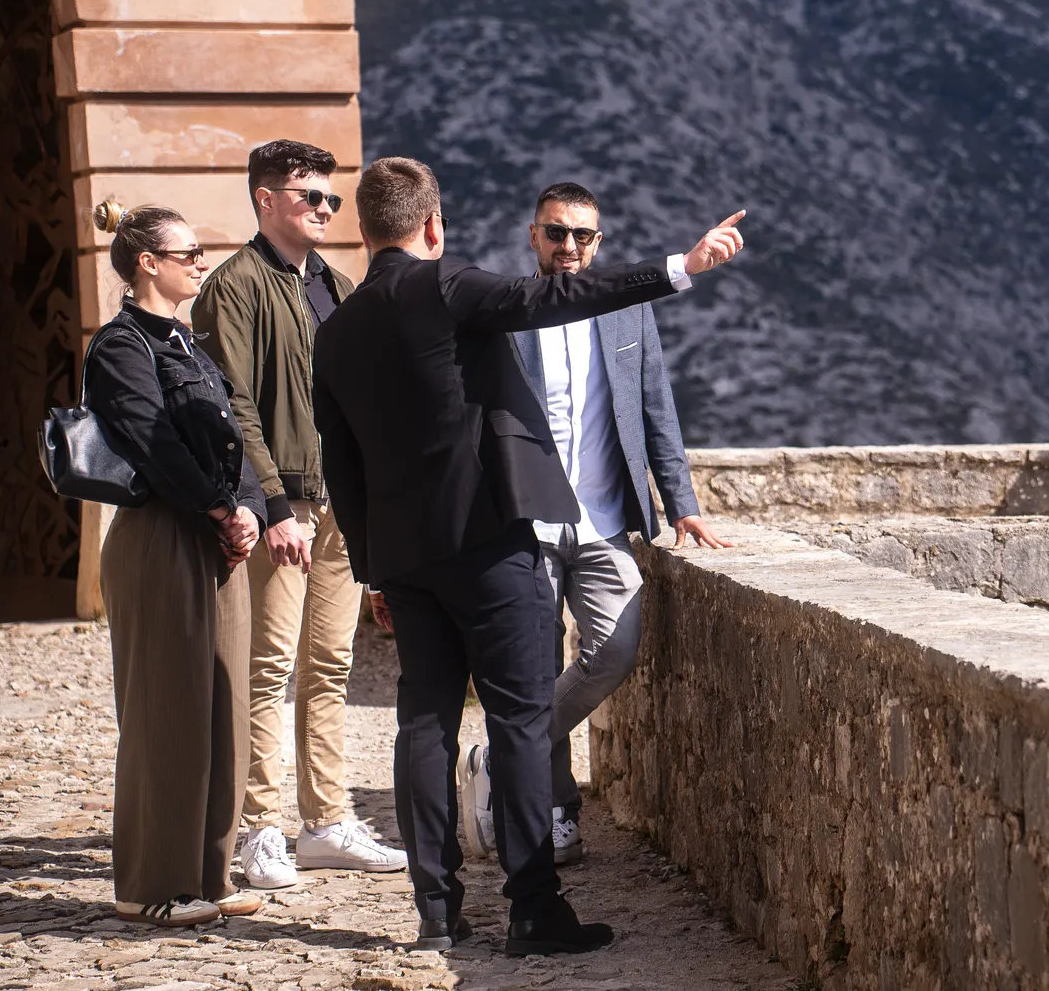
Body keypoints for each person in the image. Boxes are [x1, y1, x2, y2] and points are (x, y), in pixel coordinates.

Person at [311, 157, 745, 955]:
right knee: (516, 721)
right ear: (433, 225)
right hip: (489, 546)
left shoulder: (335, 332)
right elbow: (553, 295)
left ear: (363, 231)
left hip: (405, 560)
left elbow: (343, 466)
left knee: (424, 726)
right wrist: (679, 268)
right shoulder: (450, 285)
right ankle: (534, 907)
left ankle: (437, 911)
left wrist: (373, 564)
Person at [454, 182, 729, 867]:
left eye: (583, 236)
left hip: (606, 521)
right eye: (556, 233)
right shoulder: (507, 312)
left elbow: (655, 407)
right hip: (527, 522)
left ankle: (499, 752)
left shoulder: (628, 313)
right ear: (532, 235)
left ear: (598, 243)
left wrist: (681, 501)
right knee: (535, 665)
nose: (569, 246)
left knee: (613, 648)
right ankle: (553, 810)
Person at [196, 140, 407, 890]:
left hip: (343, 506)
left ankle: (325, 822)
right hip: (283, 507)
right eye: (308, 195)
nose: (323, 208)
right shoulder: (235, 286)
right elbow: (234, 406)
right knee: (269, 669)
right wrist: (273, 504)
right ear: (265, 198)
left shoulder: (340, 287)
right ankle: (258, 828)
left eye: (331, 198)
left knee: (331, 665)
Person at [85, 204, 269, 927]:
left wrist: (249, 505)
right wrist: (223, 510)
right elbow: (152, 441)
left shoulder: (191, 345)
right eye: (187, 250)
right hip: (162, 535)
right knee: (167, 711)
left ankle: (208, 874)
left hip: (215, 537)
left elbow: (233, 430)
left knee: (223, 707)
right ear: (146, 263)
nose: (201, 260)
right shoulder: (121, 345)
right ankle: (152, 883)